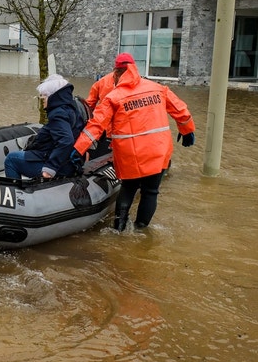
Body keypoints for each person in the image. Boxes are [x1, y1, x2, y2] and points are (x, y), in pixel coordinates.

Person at [72, 52, 195, 231]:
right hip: (158, 151)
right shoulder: (158, 88)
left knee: (128, 188)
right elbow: (181, 111)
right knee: (151, 192)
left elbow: (95, 126)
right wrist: (187, 131)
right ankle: (140, 231)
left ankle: (119, 229)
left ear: (116, 72)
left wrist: (77, 150)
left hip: (131, 153)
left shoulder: (114, 97)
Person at [3, 74, 86, 179]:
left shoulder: (58, 113)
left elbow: (66, 140)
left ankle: (16, 192)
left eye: (44, 96)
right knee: (22, 154)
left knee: (11, 159)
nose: (42, 99)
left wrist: (50, 168)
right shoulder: (73, 108)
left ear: (53, 96)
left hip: (60, 166)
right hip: (69, 162)